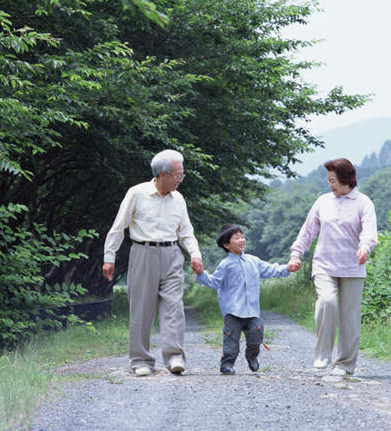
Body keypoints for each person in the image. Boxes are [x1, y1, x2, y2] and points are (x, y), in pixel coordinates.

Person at [102, 149, 203, 377]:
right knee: (141, 309)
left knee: (174, 307)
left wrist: (195, 254)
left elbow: (186, 232)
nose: (180, 180)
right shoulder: (137, 193)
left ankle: (175, 356)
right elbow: (118, 228)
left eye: (182, 175)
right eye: (178, 175)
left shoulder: (179, 199)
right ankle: (141, 360)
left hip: (172, 255)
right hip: (143, 253)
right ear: (163, 174)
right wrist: (109, 258)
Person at [288, 158, 377, 377]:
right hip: (324, 265)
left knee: (349, 317)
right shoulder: (323, 202)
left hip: (352, 266)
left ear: (347, 179)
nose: (330, 184)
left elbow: (369, 231)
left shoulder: (363, 202)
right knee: (327, 302)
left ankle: (344, 364)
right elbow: (307, 231)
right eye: (328, 180)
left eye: (333, 180)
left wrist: (364, 248)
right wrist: (295, 254)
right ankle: (322, 354)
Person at [194, 224, 298, 374]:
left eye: (242, 237)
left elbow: (270, 269)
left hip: (252, 310)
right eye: (236, 238)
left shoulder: (253, 261)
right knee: (231, 340)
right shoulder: (225, 265)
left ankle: (252, 356)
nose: (241, 240)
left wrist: (287, 268)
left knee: (257, 333)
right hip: (233, 311)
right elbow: (214, 282)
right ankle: (227, 364)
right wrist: (201, 273)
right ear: (226, 245)